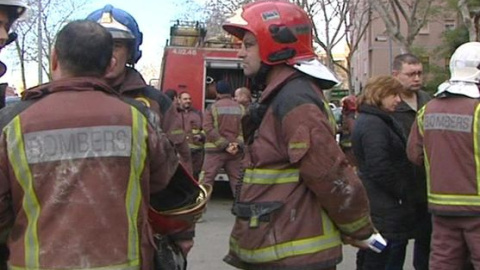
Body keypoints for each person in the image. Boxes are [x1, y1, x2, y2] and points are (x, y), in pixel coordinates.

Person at [0, 19, 179, 269]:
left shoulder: (12, 122)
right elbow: (164, 183)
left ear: (54, 59)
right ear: (110, 64)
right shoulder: (139, 118)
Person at [222, 1, 376, 269]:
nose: (240, 54)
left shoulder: (295, 98)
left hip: (292, 253)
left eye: (248, 44)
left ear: (275, 43)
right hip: (281, 246)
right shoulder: (283, 96)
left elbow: (329, 173)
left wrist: (360, 228)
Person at [86, 4, 193, 175]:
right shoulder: (66, 100)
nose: (106, 54)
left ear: (130, 52)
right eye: (98, 46)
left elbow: (179, 162)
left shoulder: (157, 103)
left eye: (116, 45)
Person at [407, 41, 480, 270]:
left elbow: (414, 155)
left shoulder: (428, 109)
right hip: (477, 208)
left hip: (440, 206)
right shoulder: (477, 109)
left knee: (443, 262)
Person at [352, 76, 417, 269]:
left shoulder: (375, 120)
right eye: (394, 95)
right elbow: (379, 166)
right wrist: (403, 191)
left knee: (377, 255)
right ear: (379, 94)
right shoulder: (374, 124)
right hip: (386, 205)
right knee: (386, 256)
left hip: (383, 203)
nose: (398, 100)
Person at [391, 53, 432, 270]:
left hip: (426, 185)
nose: (416, 78)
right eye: (410, 74)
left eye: (419, 73)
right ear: (395, 75)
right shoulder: (389, 105)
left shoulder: (429, 100)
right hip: (400, 186)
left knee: (426, 241)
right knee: (397, 244)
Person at [200, 80, 244, 193]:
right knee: (238, 183)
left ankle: (199, 208)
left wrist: (225, 145)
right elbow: (245, 130)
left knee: (206, 182)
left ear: (217, 92)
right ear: (230, 92)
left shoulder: (212, 108)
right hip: (235, 153)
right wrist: (236, 145)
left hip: (214, 152)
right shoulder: (241, 108)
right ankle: (240, 208)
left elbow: (208, 128)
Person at [178, 91, 205, 180]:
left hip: (196, 152)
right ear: (179, 100)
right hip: (181, 151)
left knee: (195, 176)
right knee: (182, 176)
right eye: (185, 99)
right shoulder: (174, 114)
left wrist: (201, 135)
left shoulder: (198, 114)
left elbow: (206, 129)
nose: (188, 101)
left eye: (189, 99)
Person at [339, 95, 358, 167]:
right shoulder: (349, 115)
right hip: (347, 146)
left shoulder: (350, 116)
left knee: (352, 166)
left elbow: (353, 130)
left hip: (350, 148)